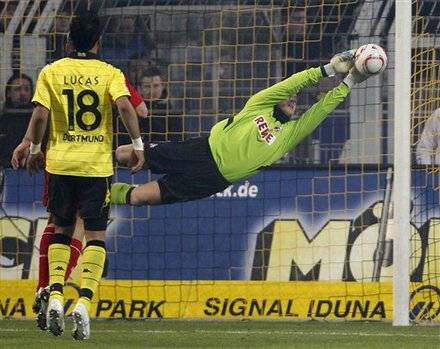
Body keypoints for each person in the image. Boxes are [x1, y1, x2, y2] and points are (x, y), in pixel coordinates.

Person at [111, 49, 376, 207]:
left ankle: (94, 196)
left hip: (212, 180)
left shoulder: (288, 135)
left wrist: (350, 81)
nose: (293, 100)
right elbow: (291, 83)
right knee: (129, 154)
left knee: (138, 198)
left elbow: (320, 111)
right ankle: (95, 163)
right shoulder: (258, 106)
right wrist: (328, 69)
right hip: (201, 151)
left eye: (295, 101)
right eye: (290, 96)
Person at [18, 11, 144, 340]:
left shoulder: (52, 71)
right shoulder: (109, 72)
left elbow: (41, 116)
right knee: (95, 237)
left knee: (60, 230)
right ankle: (84, 302)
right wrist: (138, 144)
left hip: (59, 165)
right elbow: (127, 108)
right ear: (99, 42)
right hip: (95, 167)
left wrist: (33, 150)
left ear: (67, 40)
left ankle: (55, 294)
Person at [137, 66, 183, 142]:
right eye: (147, 86)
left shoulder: (173, 113)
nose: (151, 91)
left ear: (162, 86)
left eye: (156, 86)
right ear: (139, 89)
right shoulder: (133, 110)